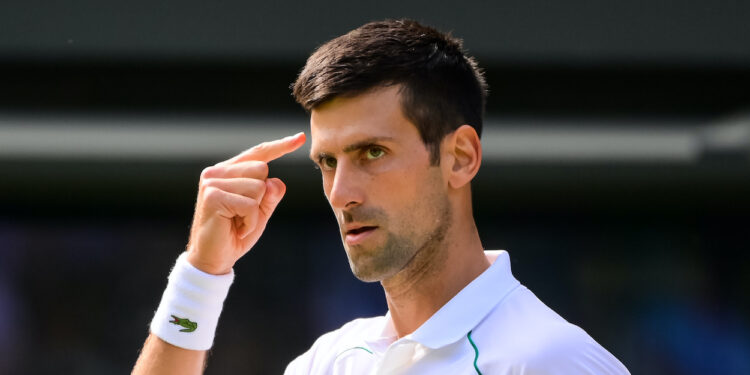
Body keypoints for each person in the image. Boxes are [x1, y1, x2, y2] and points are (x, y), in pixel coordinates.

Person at [132, 19, 630, 374]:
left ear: (460, 157)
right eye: (327, 163)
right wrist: (200, 275)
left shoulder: (551, 361)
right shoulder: (327, 362)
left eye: (372, 152)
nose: (340, 193)